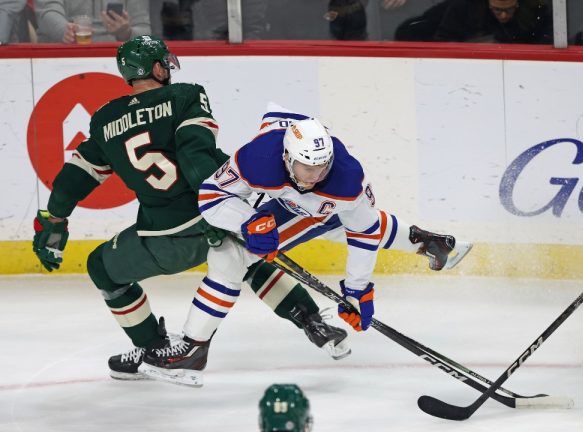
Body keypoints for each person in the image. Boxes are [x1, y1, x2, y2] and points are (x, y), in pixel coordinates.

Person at [32, 35, 350, 383]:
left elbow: (73, 179)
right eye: (163, 61)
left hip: (166, 237)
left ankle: (154, 347)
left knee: (101, 267)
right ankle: (310, 318)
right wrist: (215, 207)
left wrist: (55, 221)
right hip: (222, 208)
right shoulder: (184, 96)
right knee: (245, 261)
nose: (168, 66)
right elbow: (194, 155)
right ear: (155, 67)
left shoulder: (106, 121)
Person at [136, 104, 473, 385]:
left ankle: (192, 348)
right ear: (286, 156)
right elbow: (211, 196)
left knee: (232, 256)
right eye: (305, 167)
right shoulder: (258, 158)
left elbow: (364, 231)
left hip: (320, 206)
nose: (313, 175)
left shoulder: (345, 180)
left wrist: (357, 289)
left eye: (321, 167)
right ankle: (432, 244)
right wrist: (249, 221)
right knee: (304, 229)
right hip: (292, 198)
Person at [395, 0, 552, 44]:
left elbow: (547, 41)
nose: (504, 15)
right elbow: (443, 43)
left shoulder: (535, 12)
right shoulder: (463, 9)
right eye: (497, 10)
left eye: (509, 9)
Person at [35, 0, 150, 43]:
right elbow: (47, 13)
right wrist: (64, 30)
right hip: (63, 56)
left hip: (117, 60)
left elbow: (144, 30)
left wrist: (126, 33)